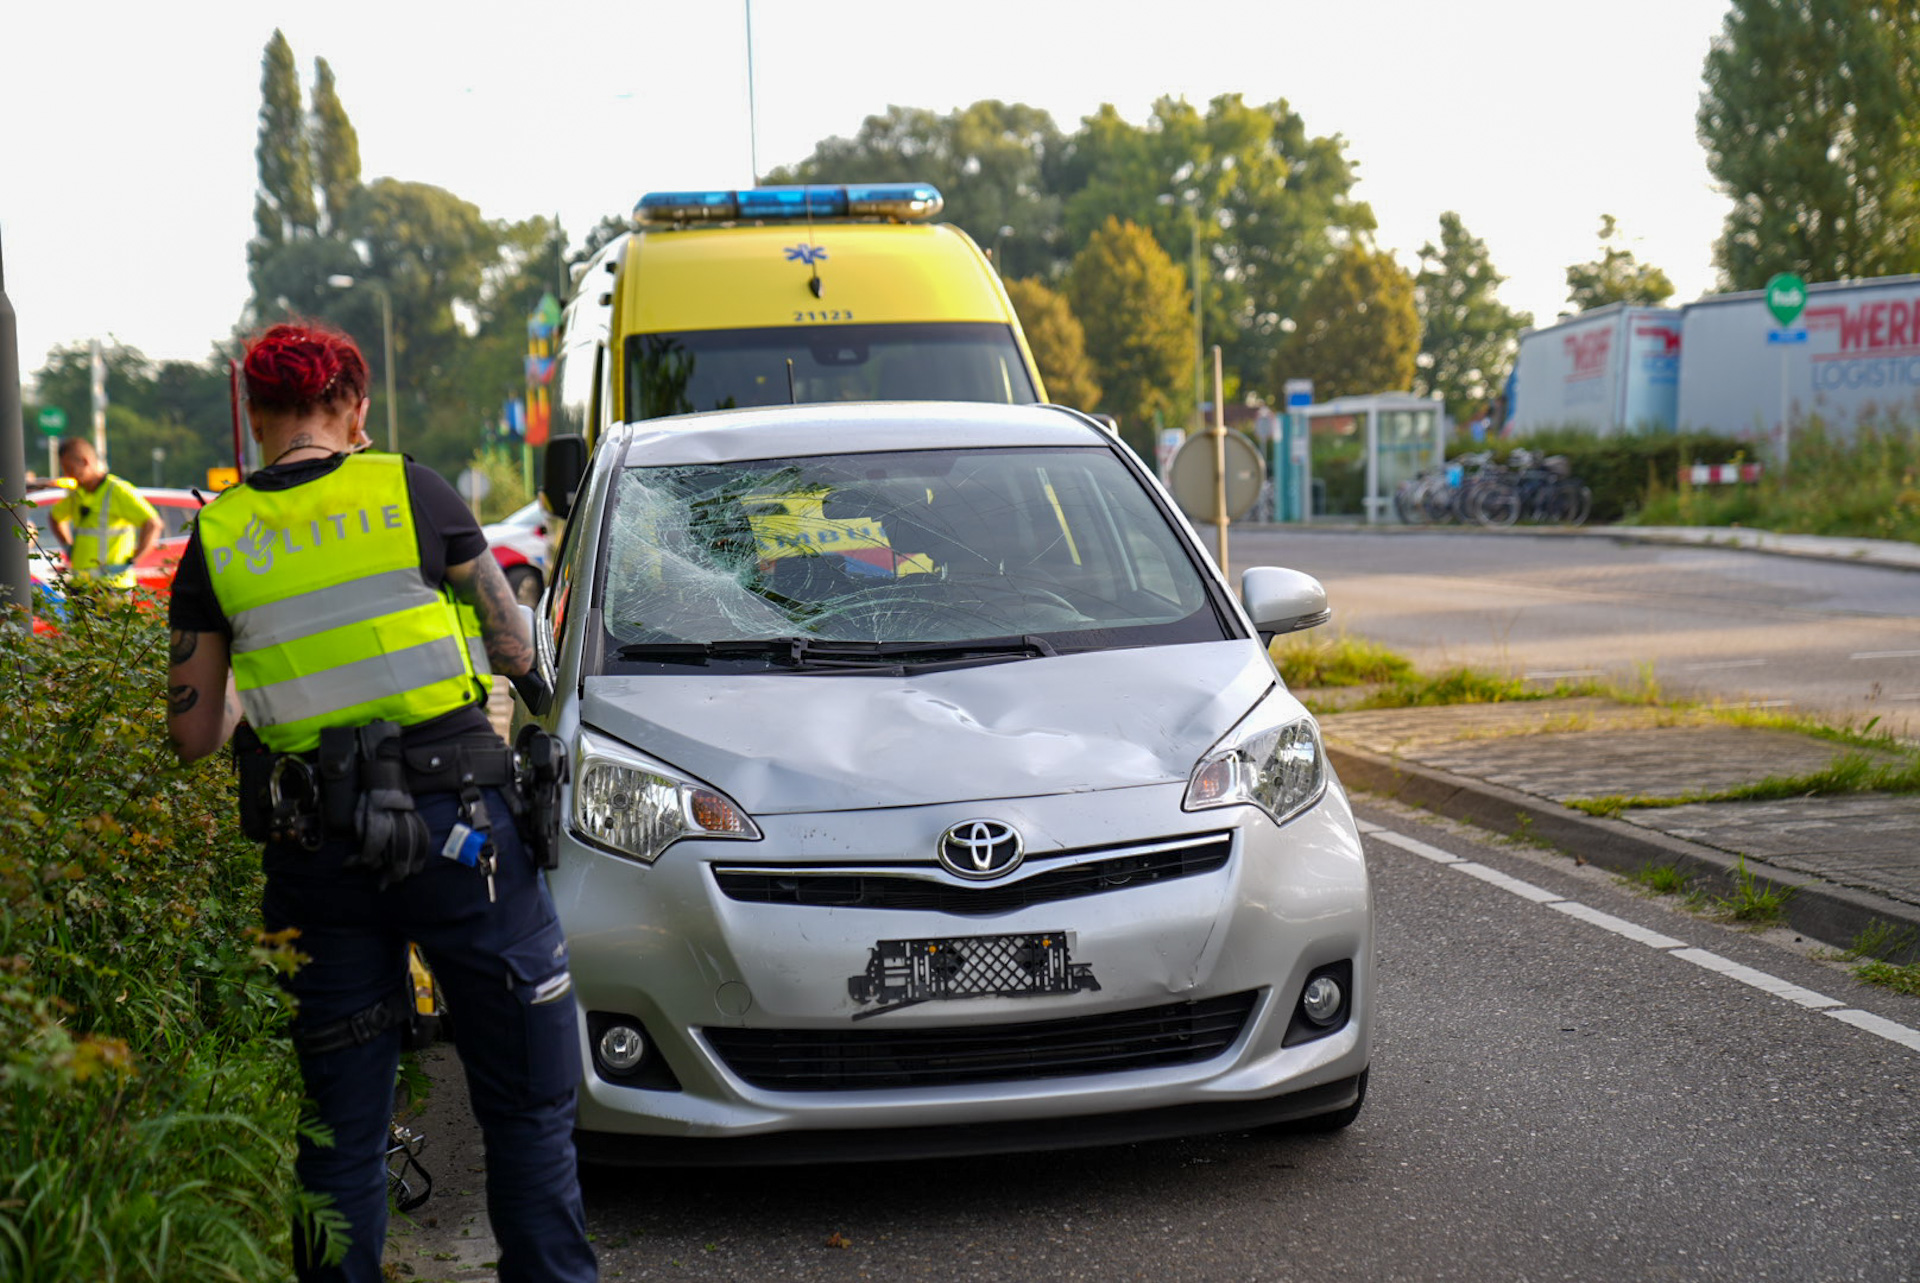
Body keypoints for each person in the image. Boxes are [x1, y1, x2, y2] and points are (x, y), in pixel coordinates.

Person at [165, 322, 597, 1283]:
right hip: (463, 837)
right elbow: (516, 653)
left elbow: (194, 732)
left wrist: (261, 686)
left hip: (319, 854)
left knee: (341, 1136)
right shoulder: (410, 487)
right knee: (527, 1107)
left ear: (256, 414)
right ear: (353, 405)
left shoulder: (219, 537)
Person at [49, 436, 162, 589]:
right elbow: (55, 517)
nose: (68, 475)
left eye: (70, 469)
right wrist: (68, 547)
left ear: (84, 461)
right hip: (82, 584)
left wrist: (133, 560)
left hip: (113, 585)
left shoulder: (118, 491)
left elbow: (153, 524)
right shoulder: (77, 493)